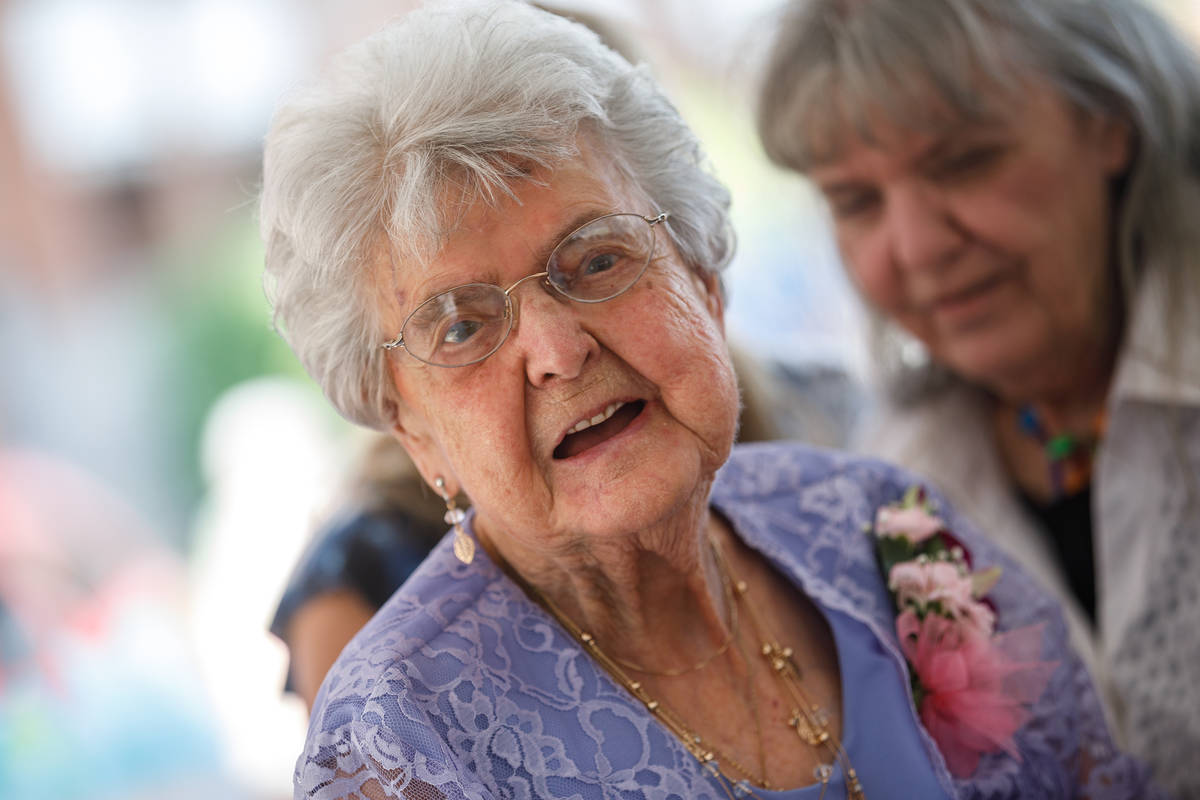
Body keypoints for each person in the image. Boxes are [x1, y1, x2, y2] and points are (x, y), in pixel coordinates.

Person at [259, 2, 1157, 798]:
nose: (558, 351)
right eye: (460, 327)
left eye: (599, 260)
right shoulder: (405, 745)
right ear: (412, 427)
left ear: (704, 281)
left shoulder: (885, 530)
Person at [756, 0, 1200, 795]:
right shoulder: (894, 476)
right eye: (857, 202)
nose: (919, 246)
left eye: (965, 163)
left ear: (1112, 121)